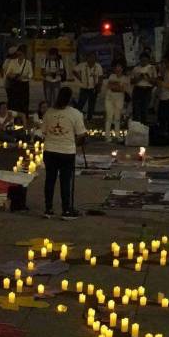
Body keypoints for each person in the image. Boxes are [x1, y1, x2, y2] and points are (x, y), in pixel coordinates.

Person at [39, 86, 86, 220]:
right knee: (65, 181)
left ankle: (48, 209)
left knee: (50, 180)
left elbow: (43, 132)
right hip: (66, 151)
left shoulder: (48, 113)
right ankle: (66, 209)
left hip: (50, 150)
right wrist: (76, 142)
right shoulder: (76, 114)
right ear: (70, 99)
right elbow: (81, 134)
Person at [72, 54, 103, 121]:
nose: (91, 59)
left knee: (91, 105)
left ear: (95, 59)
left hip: (94, 88)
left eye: (93, 58)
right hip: (84, 88)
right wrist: (79, 78)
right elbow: (74, 71)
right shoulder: (82, 65)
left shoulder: (98, 66)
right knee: (81, 104)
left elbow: (100, 77)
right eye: (90, 58)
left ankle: (89, 119)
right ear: (87, 58)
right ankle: (76, 118)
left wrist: (99, 87)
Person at [3, 46, 33, 114]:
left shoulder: (28, 63)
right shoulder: (12, 62)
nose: (19, 56)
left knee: (24, 102)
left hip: (24, 84)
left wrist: (24, 77)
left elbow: (31, 74)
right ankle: (14, 117)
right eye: (18, 55)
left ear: (24, 54)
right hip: (15, 84)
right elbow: (7, 73)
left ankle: (24, 116)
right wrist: (14, 75)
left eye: (21, 55)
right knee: (14, 101)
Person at [103, 61, 130, 136]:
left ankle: (117, 135)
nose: (117, 68)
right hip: (109, 99)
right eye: (116, 67)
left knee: (117, 118)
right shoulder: (112, 76)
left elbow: (122, 89)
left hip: (119, 99)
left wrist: (116, 85)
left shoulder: (125, 78)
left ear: (122, 68)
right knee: (109, 117)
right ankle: (107, 136)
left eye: (119, 67)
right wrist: (118, 86)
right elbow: (110, 87)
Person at [130, 51, 156, 124]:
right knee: (136, 109)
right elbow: (132, 81)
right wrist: (139, 77)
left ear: (148, 60)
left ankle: (144, 126)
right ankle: (136, 126)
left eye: (145, 61)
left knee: (144, 109)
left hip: (147, 90)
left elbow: (154, 82)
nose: (143, 62)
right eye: (142, 60)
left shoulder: (152, 68)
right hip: (138, 89)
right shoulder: (136, 68)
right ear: (140, 60)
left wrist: (148, 77)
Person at [41, 47, 65, 115]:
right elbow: (42, 72)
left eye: (53, 55)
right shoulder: (45, 61)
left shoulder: (59, 61)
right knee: (48, 99)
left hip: (56, 81)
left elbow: (62, 71)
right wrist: (49, 73)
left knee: (56, 98)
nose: (52, 56)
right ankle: (48, 112)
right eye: (50, 55)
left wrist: (56, 73)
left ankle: (55, 112)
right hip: (47, 81)